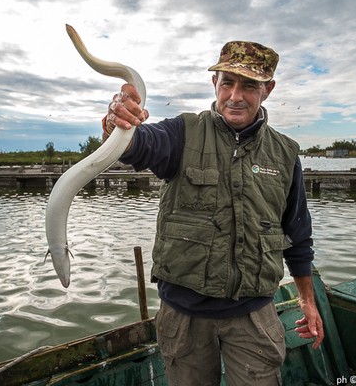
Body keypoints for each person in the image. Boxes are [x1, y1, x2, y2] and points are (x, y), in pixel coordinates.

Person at [102, 40, 324, 385]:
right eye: (227, 83)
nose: (235, 96)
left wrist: (308, 302)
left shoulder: (284, 154)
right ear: (215, 85)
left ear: (267, 89)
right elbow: (137, 145)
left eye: (249, 85)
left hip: (254, 315)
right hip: (183, 319)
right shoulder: (182, 133)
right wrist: (118, 124)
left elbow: (298, 235)